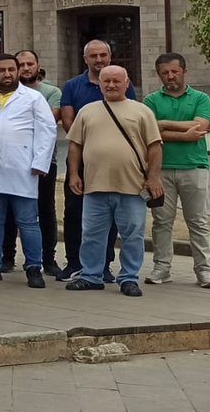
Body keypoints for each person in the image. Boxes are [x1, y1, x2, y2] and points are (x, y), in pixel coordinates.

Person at [66, 65, 163, 297]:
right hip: (95, 185)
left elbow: (155, 146)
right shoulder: (87, 111)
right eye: (106, 81)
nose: (111, 85)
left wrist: (154, 177)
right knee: (91, 234)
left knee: (132, 234)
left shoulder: (141, 111)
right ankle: (91, 275)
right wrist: (73, 174)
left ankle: (129, 278)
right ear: (99, 83)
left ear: (126, 83)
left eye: (116, 81)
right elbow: (75, 145)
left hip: (132, 186)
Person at [0, 54, 55, 289]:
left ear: (17, 72)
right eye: (2, 70)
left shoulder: (33, 98)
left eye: (11, 70)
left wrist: (40, 162)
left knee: (28, 221)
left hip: (23, 168)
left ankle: (34, 267)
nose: (7, 74)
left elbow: (47, 131)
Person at [59, 39, 135, 282]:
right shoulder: (72, 86)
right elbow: (70, 123)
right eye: (94, 56)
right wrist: (87, 146)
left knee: (109, 214)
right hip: (81, 159)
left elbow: (128, 115)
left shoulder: (123, 84)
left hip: (110, 166)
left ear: (110, 57)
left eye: (103, 55)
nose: (99, 60)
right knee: (73, 212)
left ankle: (104, 265)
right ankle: (74, 262)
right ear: (86, 59)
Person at [142, 53, 210, 288]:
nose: (170, 76)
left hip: (194, 167)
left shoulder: (200, 98)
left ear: (184, 71)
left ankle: (204, 270)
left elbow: (200, 126)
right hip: (161, 169)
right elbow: (149, 132)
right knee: (161, 221)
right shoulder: (151, 100)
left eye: (174, 71)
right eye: (165, 72)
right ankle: (162, 268)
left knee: (198, 221)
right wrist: (183, 134)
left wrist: (162, 125)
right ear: (159, 74)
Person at [6, 49, 62, 275]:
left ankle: (48, 259)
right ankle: (6, 257)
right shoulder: (5, 92)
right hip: (11, 163)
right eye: (21, 64)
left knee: (45, 210)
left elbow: (48, 121)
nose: (26, 68)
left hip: (44, 162)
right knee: (9, 211)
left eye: (30, 64)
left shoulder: (52, 91)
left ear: (38, 66)